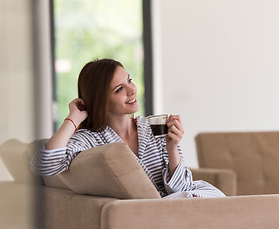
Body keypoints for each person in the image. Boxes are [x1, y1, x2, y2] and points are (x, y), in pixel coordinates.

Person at [32, 58, 225, 198]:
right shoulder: (89, 139)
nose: (132, 90)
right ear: (100, 101)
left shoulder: (153, 128)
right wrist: (73, 118)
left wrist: (172, 148)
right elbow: (44, 165)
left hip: (178, 204)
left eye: (129, 81)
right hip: (147, 212)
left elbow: (183, 187)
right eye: (119, 89)